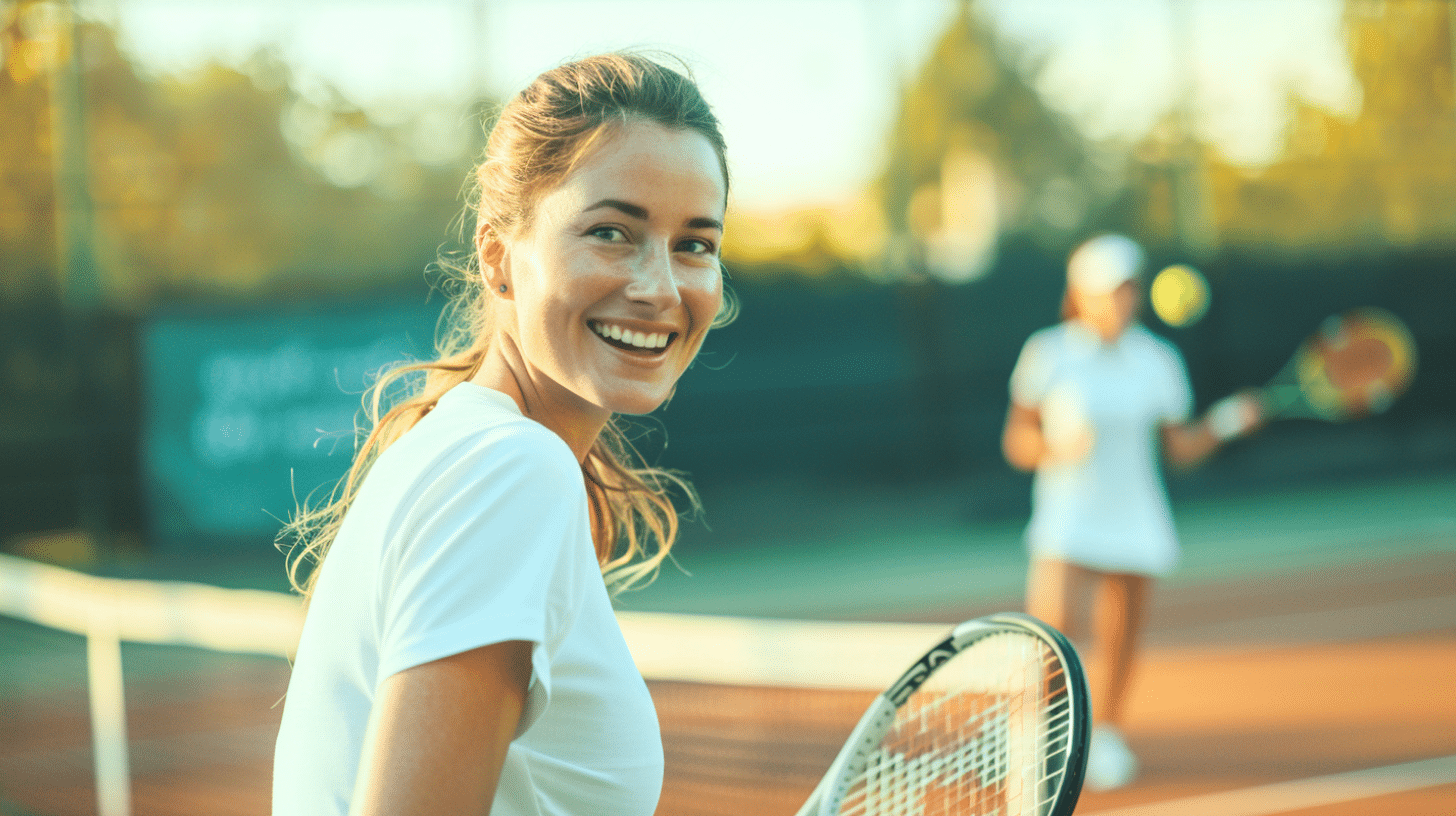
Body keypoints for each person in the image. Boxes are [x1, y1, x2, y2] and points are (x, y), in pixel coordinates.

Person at [271, 53, 733, 816]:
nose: (660, 286)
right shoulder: (510, 472)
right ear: (498, 257)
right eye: (613, 232)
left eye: (695, 244)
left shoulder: (469, 453)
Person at [1001, 234, 1260, 791]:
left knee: (1120, 637)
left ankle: (1108, 736)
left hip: (1135, 513)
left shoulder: (1158, 360)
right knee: (1049, 637)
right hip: (1067, 518)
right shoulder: (1047, 353)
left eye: (1128, 290)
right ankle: (1034, 739)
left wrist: (1228, 423)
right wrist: (1054, 450)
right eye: (1110, 291)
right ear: (1081, 295)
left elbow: (1181, 449)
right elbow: (1016, 441)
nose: (1121, 301)